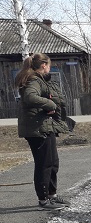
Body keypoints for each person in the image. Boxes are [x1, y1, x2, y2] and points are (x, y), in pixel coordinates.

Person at [15, 53, 72, 210]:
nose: (49, 68)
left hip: (44, 126)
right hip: (36, 129)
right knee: (44, 164)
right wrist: (50, 104)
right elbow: (29, 97)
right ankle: (43, 200)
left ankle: (52, 195)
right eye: (49, 65)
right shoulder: (33, 79)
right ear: (43, 66)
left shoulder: (37, 79)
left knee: (53, 162)